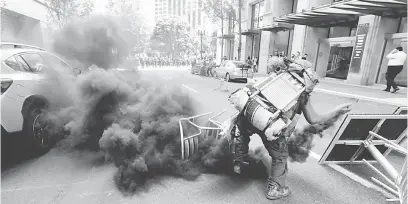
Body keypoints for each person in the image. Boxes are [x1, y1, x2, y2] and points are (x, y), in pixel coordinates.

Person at [227, 59, 352, 200]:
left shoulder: (273, 78)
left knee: (241, 134)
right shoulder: (301, 92)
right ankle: (275, 189)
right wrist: (337, 111)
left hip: (249, 117)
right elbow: (314, 119)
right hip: (270, 123)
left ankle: (238, 164)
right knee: (280, 155)